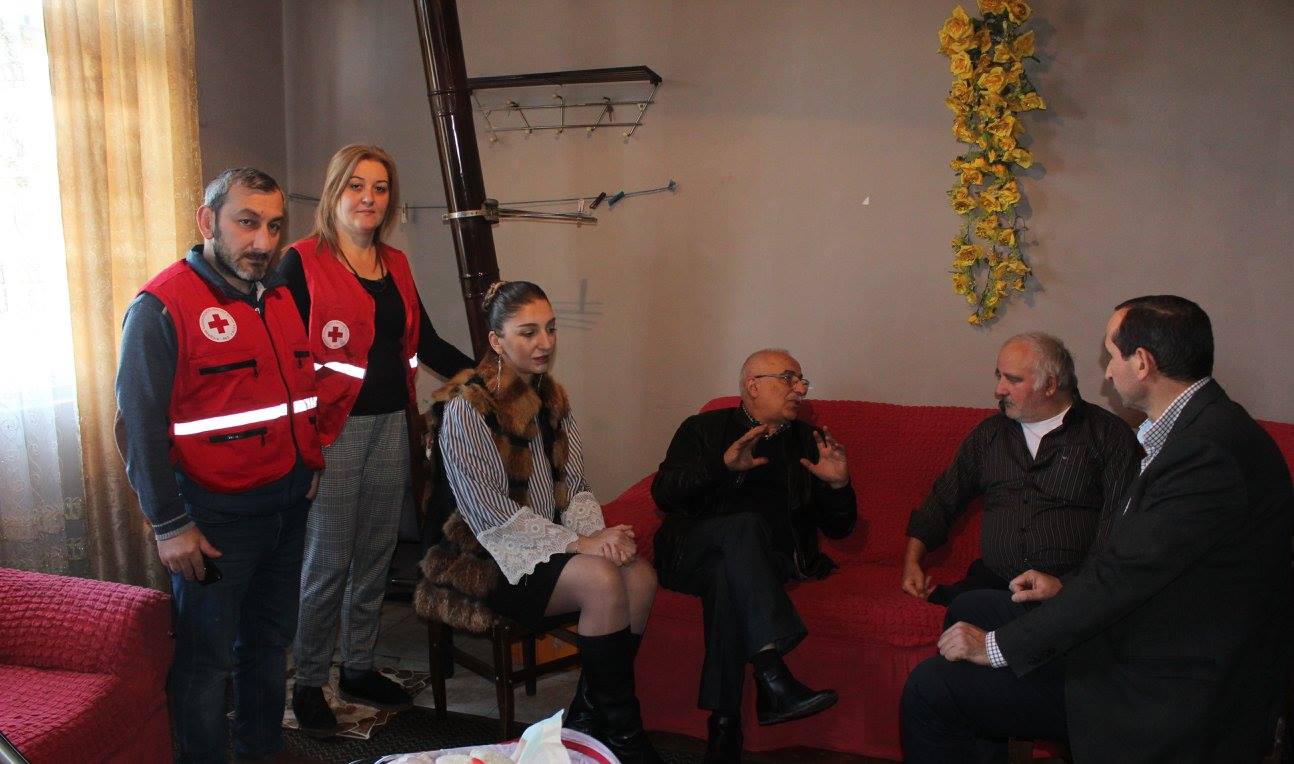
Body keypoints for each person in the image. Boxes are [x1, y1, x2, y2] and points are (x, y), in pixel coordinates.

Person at [901, 295, 1294, 762]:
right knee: (975, 605)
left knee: (931, 687)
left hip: (1165, 681)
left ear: (1142, 362)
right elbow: (1138, 563)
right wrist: (1063, 592)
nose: (1107, 372)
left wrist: (996, 646)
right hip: (1146, 633)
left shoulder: (1202, 453)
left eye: (1111, 355)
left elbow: (1122, 577)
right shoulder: (1206, 429)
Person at [116, 167, 323, 763]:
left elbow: (297, 391)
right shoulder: (161, 307)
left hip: (286, 509)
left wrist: (309, 462)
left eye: (275, 226)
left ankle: (262, 752)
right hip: (212, 522)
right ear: (207, 221)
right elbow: (138, 428)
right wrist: (169, 524)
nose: (263, 241)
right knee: (205, 663)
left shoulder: (278, 295)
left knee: (268, 646)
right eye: (247, 222)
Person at [277, 144, 475, 734]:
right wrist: (301, 446)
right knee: (327, 561)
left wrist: (492, 379)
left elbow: (426, 342)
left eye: (380, 188)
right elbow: (285, 360)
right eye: (356, 185)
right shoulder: (300, 263)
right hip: (331, 433)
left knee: (375, 554)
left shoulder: (396, 264)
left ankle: (358, 666)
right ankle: (311, 681)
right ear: (334, 192)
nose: (369, 198)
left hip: (393, 425)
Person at [431, 281, 661, 763]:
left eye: (551, 329)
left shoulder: (554, 398)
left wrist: (598, 538)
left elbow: (574, 484)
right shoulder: (467, 407)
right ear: (496, 341)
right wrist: (581, 544)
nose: (545, 343)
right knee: (601, 580)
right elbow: (489, 513)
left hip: (551, 544)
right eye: (529, 332)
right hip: (490, 555)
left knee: (639, 575)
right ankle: (624, 735)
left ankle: (590, 717)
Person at [651, 349, 856, 763]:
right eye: (789, 378)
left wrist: (839, 486)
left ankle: (726, 726)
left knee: (728, 576)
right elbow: (664, 494)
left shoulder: (807, 442)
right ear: (753, 386)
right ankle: (772, 677)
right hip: (691, 551)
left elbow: (840, 529)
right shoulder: (702, 428)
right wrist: (721, 466)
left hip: (765, 564)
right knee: (742, 527)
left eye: (802, 381)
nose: (800, 389)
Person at [901, 333, 1140, 632]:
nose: (998, 390)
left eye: (1012, 380)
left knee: (974, 612)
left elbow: (1120, 526)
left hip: (1070, 590)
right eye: (999, 376)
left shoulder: (1108, 436)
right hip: (995, 581)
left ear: (1050, 385)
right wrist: (912, 561)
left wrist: (1069, 586)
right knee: (961, 607)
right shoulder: (989, 435)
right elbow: (945, 497)